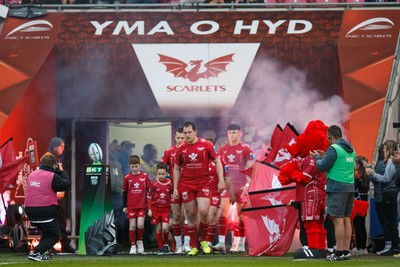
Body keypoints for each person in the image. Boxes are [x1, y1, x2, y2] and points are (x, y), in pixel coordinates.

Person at [173, 121, 225, 256]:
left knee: (203, 211)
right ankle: (194, 246)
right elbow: (176, 168)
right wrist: (175, 188)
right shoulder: (180, 148)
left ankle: (205, 241)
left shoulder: (206, 145)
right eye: (185, 133)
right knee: (190, 215)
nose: (187, 135)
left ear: (195, 132)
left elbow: (217, 161)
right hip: (186, 185)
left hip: (203, 183)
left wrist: (220, 180)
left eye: (189, 132)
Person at [310, 125, 356, 261]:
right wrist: (325, 157)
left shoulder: (333, 148)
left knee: (337, 220)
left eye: (327, 137)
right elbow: (344, 164)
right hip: (349, 186)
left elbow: (321, 167)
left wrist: (318, 158)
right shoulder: (351, 149)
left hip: (337, 187)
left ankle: (339, 252)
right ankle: (346, 251)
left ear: (329, 137)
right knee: (347, 219)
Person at [215, 124, 254, 253]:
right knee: (222, 212)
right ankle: (221, 243)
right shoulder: (221, 150)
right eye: (230, 133)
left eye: (234, 132)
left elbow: (251, 169)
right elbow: (218, 169)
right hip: (227, 185)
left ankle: (239, 244)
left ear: (240, 134)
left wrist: (248, 185)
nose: (232, 135)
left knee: (241, 215)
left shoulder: (246, 149)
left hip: (241, 186)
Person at [25, 154, 71, 261]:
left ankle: (41, 254)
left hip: (30, 211)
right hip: (44, 210)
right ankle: (36, 252)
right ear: (54, 165)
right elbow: (66, 184)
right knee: (55, 235)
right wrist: (61, 172)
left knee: (47, 232)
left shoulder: (32, 175)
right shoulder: (52, 176)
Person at [41, 137, 76, 253]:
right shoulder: (47, 158)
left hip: (57, 196)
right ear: (55, 147)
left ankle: (63, 245)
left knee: (61, 222)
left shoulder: (54, 158)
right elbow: (50, 177)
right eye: (62, 146)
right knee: (52, 222)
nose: (63, 149)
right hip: (52, 196)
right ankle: (50, 246)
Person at [365, 140, 399, 256]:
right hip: (390, 193)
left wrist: (372, 173)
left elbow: (386, 179)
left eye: (384, 148)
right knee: (390, 221)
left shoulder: (390, 162)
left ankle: (394, 247)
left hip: (390, 193)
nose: (383, 150)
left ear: (388, 149)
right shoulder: (391, 162)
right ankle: (392, 246)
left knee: (390, 221)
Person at [160, 128, 190, 253]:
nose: (180, 140)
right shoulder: (169, 151)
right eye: (178, 138)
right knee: (177, 217)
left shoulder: (190, 150)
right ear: (175, 138)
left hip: (189, 186)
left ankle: (187, 244)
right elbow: (161, 167)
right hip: (175, 188)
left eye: (182, 138)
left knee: (188, 216)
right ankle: (178, 245)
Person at [205, 138, 236, 251]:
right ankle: (199, 242)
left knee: (212, 215)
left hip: (214, 192)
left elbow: (227, 178)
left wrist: (232, 194)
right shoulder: (199, 161)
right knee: (203, 218)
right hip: (201, 193)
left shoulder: (220, 160)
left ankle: (209, 243)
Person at [122, 155, 152, 255]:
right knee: (133, 225)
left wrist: (149, 205)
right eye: (132, 167)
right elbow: (125, 192)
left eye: (136, 166)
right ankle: (132, 245)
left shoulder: (145, 176)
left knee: (140, 224)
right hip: (131, 206)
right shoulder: (127, 177)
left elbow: (150, 191)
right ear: (130, 166)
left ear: (139, 165)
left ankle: (140, 242)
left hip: (142, 205)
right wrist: (125, 206)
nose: (134, 168)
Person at [148, 163, 173, 255]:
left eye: (163, 174)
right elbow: (149, 197)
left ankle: (166, 245)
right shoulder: (154, 184)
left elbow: (172, 195)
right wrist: (150, 209)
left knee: (165, 228)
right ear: (156, 174)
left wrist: (173, 205)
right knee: (158, 229)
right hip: (156, 209)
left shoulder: (170, 184)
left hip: (166, 209)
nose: (161, 176)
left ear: (166, 173)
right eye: (159, 174)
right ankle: (160, 248)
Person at [351, 156, 370, 256]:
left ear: (358, 165)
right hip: (364, 203)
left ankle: (359, 248)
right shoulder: (366, 176)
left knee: (358, 226)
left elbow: (353, 190)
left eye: (354, 163)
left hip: (358, 203)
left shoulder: (357, 178)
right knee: (362, 225)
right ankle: (363, 247)